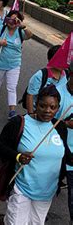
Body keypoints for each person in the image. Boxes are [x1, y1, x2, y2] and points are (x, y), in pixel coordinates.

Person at [0, 85, 69, 224]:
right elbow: (0, 146)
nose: (47, 111)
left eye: (52, 107)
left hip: (47, 192)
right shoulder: (19, 123)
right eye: (43, 106)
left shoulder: (59, 127)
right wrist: (18, 156)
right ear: (36, 104)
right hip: (22, 188)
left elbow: (65, 155)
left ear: (58, 108)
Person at [0, 11, 33, 118]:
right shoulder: (2, 29)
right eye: (10, 19)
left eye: (15, 20)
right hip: (0, 63)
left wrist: (24, 27)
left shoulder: (20, 32)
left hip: (14, 64)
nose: (12, 22)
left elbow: (30, 35)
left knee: (12, 87)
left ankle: (12, 111)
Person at [25, 45, 67, 114]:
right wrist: (31, 114)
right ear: (52, 60)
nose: (63, 63)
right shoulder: (40, 75)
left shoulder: (66, 75)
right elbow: (30, 95)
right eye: (60, 60)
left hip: (54, 114)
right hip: (39, 113)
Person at [55, 73, 73, 223]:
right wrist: (66, 124)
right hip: (58, 153)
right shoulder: (57, 93)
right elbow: (45, 121)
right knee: (46, 191)